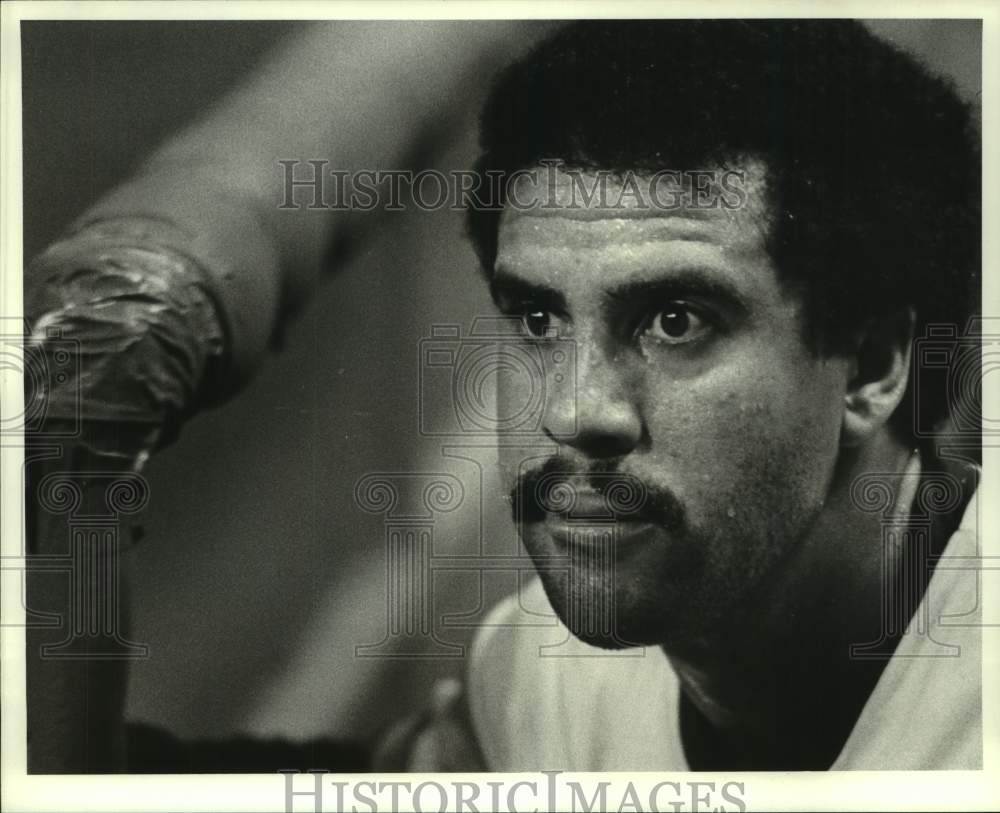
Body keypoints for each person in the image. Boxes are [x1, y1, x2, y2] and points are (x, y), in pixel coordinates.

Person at [409, 19, 981, 771]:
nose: (574, 412)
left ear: (871, 368)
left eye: (676, 321)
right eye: (539, 318)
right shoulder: (531, 674)